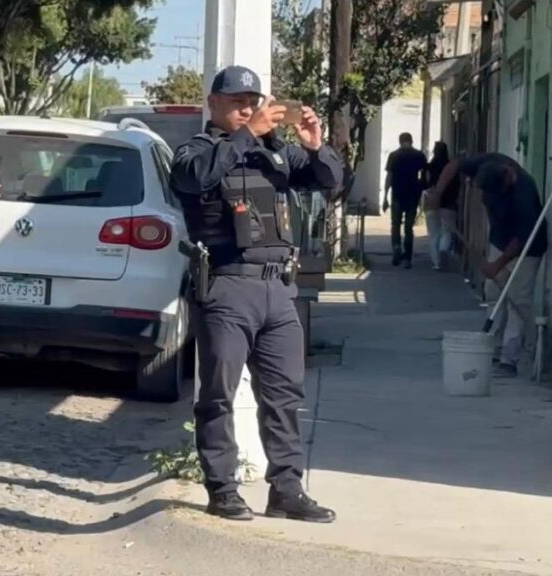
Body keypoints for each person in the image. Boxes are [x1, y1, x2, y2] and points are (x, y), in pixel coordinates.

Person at [169, 65, 342, 523]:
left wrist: (314, 145)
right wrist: (247, 134)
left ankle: (286, 489)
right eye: (236, 102)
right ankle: (222, 488)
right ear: (214, 104)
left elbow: (329, 179)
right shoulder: (197, 151)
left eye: (253, 101)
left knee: (284, 395)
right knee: (218, 394)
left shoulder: (274, 152)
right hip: (227, 284)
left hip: (278, 288)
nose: (247, 109)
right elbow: (194, 177)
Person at [433, 152, 547, 378]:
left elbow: (522, 238)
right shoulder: (486, 164)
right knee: (493, 292)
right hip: (499, 240)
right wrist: (438, 192)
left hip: (526, 249)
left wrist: (498, 264)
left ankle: (509, 359)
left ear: (508, 177)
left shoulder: (523, 193)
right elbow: (454, 164)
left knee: (517, 300)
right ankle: (491, 349)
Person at [382, 133, 428, 268]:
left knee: (395, 225)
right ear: (411, 141)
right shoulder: (419, 155)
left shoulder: (394, 155)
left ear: (400, 141)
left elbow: (389, 177)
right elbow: (425, 176)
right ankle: (407, 257)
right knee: (409, 227)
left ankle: (396, 247)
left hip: (397, 194)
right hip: (412, 195)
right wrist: (421, 190)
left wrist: (385, 196)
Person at [422, 141, 459, 270]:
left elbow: (424, 185)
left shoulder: (429, 167)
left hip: (431, 203)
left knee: (433, 234)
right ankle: (444, 249)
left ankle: (436, 262)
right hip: (448, 204)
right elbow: (457, 186)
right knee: (447, 231)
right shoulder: (451, 167)